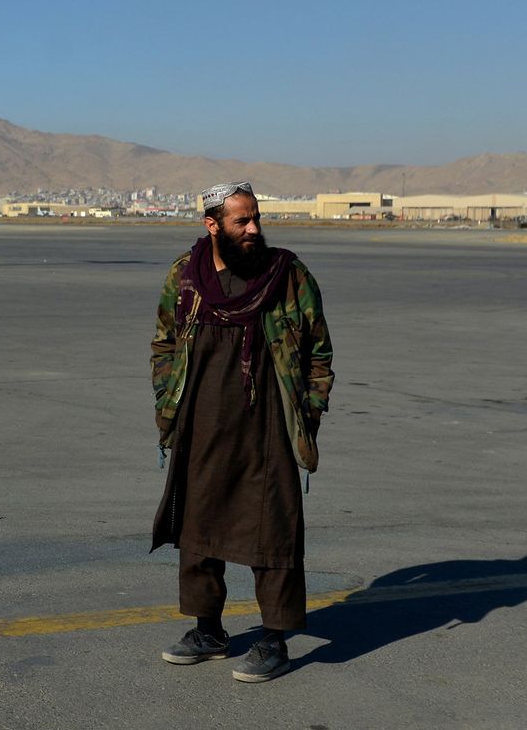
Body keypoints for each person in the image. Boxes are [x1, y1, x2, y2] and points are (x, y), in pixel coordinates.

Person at [150, 181, 334, 683]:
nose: (253, 229)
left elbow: (318, 352)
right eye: (241, 221)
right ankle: (208, 631)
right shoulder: (185, 277)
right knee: (197, 527)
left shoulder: (288, 275)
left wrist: (309, 412)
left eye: (256, 218)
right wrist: (166, 400)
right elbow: (165, 343)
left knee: (273, 532)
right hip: (201, 422)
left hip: (267, 426)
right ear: (212, 225)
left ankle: (274, 640)